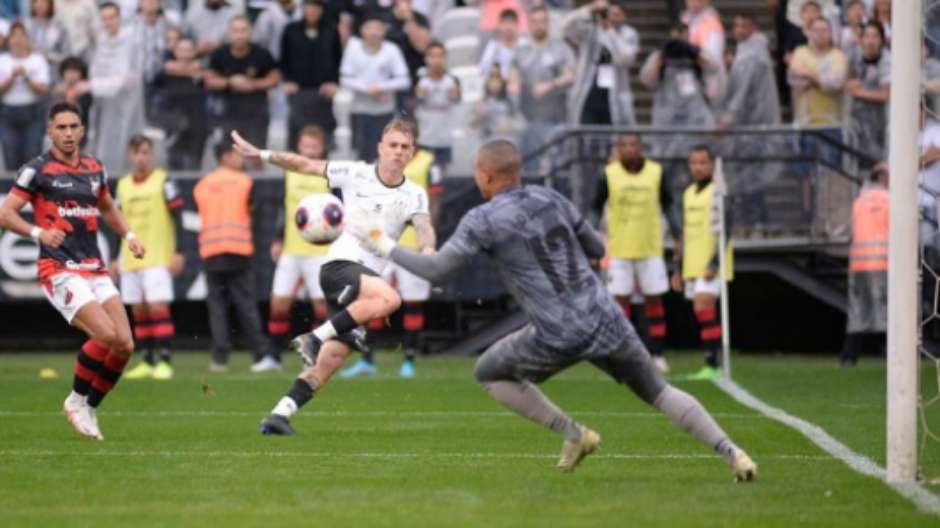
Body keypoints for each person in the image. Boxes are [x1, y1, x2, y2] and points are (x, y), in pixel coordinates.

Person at [347, 139, 757, 480]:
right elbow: (597, 249)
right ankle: (733, 452)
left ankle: (573, 433)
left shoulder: (482, 218)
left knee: (488, 371)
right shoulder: (552, 197)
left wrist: (380, 241)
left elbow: (437, 268)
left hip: (556, 330)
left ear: (486, 177)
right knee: (659, 391)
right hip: (604, 314)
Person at [228, 118, 435, 435]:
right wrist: (262, 154)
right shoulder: (355, 173)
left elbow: (423, 226)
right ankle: (314, 336)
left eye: (405, 147)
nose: (398, 151)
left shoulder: (414, 194)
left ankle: (279, 415)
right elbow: (304, 164)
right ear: (380, 147)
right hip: (341, 266)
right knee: (390, 299)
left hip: (363, 288)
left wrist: (429, 248)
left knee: (329, 363)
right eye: (392, 145)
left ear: (412, 153)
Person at [0, 101, 146, 440]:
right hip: (59, 268)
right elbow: (6, 213)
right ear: (49, 131)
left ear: (82, 130)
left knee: (124, 344)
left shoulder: (95, 168)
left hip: (93, 267)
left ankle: (90, 406)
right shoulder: (37, 170)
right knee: (105, 335)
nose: (67, 133)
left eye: (73, 127)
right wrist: (39, 233)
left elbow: (108, 206)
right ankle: (76, 399)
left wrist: (130, 236)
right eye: (61, 127)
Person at [341, 135, 442, 378]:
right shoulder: (380, 165)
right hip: (382, 245)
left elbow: (435, 202)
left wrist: (426, 239)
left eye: (404, 142)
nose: (398, 149)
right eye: (394, 143)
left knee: (412, 302)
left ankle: (409, 359)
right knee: (373, 300)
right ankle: (367, 360)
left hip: (411, 247)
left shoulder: (429, 163)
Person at [594, 133, 677, 374]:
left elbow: (669, 205)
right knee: (621, 301)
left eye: (633, 145)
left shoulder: (656, 172)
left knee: (653, 299)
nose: (629, 149)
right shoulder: (608, 174)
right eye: (624, 145)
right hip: (619, 248)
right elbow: (594, 207)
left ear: (641, 148)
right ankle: (625, 354)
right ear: (618, 149)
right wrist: (590, 239)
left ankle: (657, 353)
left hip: (650, 247)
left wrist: (677, 235)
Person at [193, 140, 274, 372]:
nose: (242, 159)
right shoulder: (244, 182)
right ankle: (260, 355)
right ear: (226, 156)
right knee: (246, 306)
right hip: (238, 251)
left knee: (217, 308)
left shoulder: (202, 185)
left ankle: (220, 359)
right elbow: (252, 211)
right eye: (237, 155)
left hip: (211, 252)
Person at [113, 135, 185, 380]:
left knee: (157, 307)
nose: (141, 157)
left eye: (145, 152)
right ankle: (146, 359)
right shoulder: (122, 185)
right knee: (139, 310)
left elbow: (179, 217)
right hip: (130, 258)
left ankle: (165, 360)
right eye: (137, 153)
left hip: (157, 255)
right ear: (130, 156)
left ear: (151, 154)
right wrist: (115, 256)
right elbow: (116, 222)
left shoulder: (164, 181)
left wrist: (179, 252)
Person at [264, 126, 333, 372]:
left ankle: (315, 355)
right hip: (292, 249)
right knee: (278, 304)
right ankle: (273, 356)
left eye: (314, 147)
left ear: (322, 148)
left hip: (320, 251)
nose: (310, 151)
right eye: (306, 146)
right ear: (299, 147)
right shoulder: (290, 172)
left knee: (322, 307)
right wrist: (277, 237)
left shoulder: (329, 174)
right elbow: (285, 208)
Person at [669, 145, 733, 380]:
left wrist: (715, 264)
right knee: (705, 312)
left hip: (711, 264)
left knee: (702, 308)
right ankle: (713, 363)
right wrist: (678, 268)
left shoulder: (719, 193)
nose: (698, 167)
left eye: (703, 162)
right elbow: (686, 235)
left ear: (713, 165)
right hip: (693, 264)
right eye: (694, 163)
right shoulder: (687, 194)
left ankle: (712, 363)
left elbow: (728, 230)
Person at [718, 14, 782, 232]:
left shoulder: (752, 55)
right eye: (735, 25)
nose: (738, 30)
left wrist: (727, 119)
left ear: (753, 27)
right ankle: (756, 222)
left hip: (754, 126)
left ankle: (756, 223)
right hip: (752, 126)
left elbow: (743, 93)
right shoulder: (747, 51)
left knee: (751, 178)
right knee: (751, 178)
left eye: (744, 25)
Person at [82, 2, 146, 175]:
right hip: (103, 105)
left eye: (111, 17)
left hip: (126, 106)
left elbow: (123, 79)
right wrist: (94, 84)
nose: (108, 22)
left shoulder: (132, 41)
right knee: (102, 148)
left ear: (119, 18)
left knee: (125, 148)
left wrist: (91, 85)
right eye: (104, 18)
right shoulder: (101, 41)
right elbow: (95, 71)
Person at [206, 15, 281, 162]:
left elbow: (275, 78)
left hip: (256, 114)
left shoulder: (262, 54)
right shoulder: (219, 54)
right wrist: (230, 82)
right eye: (235, 31)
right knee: (228, 157)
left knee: (256, 157)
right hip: (227, 113)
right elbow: (209, 80)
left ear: (250, 32)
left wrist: (252, 84)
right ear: (229, 33)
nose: (239, 35)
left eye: (243, 30)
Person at [507, 5, 574, 165]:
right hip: (528, 119)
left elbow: (570, 76)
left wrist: (550, 85)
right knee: (530, 164)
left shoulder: (560, 49)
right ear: (529, 24)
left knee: (556, 165)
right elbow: (512, 80)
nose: (539, 25)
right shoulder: (521, 52)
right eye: (535, 21)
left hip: (556, 118)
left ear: (548, 23)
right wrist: (513, 89)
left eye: (543, 21)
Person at [340, 15, 410, 162]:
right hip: (359, 110)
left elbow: (404, 80)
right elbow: (344, 78)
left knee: (385, 153)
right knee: (360, 154)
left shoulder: (392, 50)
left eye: (377, 28)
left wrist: (381, 87)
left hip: (384, 111)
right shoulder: (353, 48)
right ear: (361, 30)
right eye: (369, 28)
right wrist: (367, 88)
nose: (373, 32)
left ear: (384, 31)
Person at [564, 0, 639, 126]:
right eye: (610, 14)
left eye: (617, 15)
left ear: (624, 16)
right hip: (589, 92)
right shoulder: (591, 30)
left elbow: (625, 58)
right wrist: (590, 8)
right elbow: (566, 26)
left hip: (614, 95)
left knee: (612, 135)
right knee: (586, 134)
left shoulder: (629, 34)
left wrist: (610, 31)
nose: (612, 18)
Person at [841, 163, 888, 366]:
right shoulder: (891, 201)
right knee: (887, 310)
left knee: (857, 312)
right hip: (883, 261)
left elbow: (849, 229)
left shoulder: (859, 201)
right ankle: (891, 354)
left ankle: (849, 357)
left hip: (858, 263)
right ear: (885, 178)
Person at [280, 0, 341, 149]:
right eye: (309, 7)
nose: (312, 11)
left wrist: (334, 82)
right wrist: (287, 81)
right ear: (303, 8)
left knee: (324, 132)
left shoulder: (331, 30)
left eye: (316, 7)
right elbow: (284, 57)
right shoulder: (290, 30)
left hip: (323, 90)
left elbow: (338, 58)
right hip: (297, 89)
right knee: (297, 130)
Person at [0, 22, 51, 171]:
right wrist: (12, 77)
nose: (18, 40)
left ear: (27, 38)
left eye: (21, 35)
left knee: (33, 157)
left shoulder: (37, 60)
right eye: (14, 36)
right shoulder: (2, 60)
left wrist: (27, 77)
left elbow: (44, 89)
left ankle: (31, 193)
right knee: (10, 156)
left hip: (32, 112)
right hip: (7, 112)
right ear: (9, 39)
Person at [154, 37, 210, 170]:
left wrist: (192, 70)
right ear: (175, 51)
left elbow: (210, 81)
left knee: (194, 163)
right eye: (182, 50)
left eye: (189, 50)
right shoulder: (164, 71)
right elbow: (154, 83)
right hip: (173, 124)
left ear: (195, 52)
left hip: (197, 123)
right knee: (174, 162)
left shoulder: (203, 70)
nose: (185, 53)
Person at [787, 16, 847, 126]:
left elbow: (835, 84)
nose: (820, 34)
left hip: (832, 123)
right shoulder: (800, 52)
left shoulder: (838, 56)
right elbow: (794, 80)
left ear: (830, 34)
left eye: (824, 30)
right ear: (809, 33)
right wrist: (822, 80)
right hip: (803, 122)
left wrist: (807, 73)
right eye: (816, 30)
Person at [845, 21, 890, 168]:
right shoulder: (854, 54)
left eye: (875, 36)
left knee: (877, 164)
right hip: (856, 122)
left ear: (881, 40)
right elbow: (846, 81)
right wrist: (848, 84)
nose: (870, 41)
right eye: (867, 36)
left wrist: (858, 91)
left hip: (880, 123)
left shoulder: (887, 59)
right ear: (861, 39)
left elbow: (885, 94)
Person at [414, 41, 460, 175]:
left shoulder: (452, 80)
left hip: (445, 137)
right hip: (424, 137)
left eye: (440, 56)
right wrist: (419, 95)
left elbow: (457, 101)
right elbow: (409, 104)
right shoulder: (419, 79)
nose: (436, 60)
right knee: (423, 173)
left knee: (443, 176)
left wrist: (454, 95)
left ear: (445, 58)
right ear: (426, 59)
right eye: (432, 56)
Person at [479, 8, 527, 81]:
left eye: (511, 23)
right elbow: (484, 71)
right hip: (501, 87)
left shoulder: (525, 45)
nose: (508, 27)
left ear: (517, 24)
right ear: (499, 26)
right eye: (505, 23)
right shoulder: (493, 47)